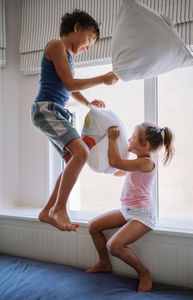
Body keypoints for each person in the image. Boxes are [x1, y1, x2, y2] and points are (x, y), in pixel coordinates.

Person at [31, 9, 118, 232]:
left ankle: (47, 210)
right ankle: (59, 208)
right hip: (46, 109)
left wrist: (88, 102)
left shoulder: (67, 57)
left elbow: (69, 89)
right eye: (89, 40)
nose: (88, 47)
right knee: (82, 152)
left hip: (56, 110)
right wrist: (102, 78)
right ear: (76, 27)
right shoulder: (56, 46)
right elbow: (70, 83)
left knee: (74, 158)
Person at [86, 122, 174, 293]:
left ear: (145, 145)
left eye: (133, 138)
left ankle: (144, 273)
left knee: (114, 246)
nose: (128, 139)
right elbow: (119, 169)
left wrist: (113, 139)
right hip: (127, 210)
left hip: (142, 215)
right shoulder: (137, 163)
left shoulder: (147, 163)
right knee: (93, 227)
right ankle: (104, 263)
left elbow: (115, 162)